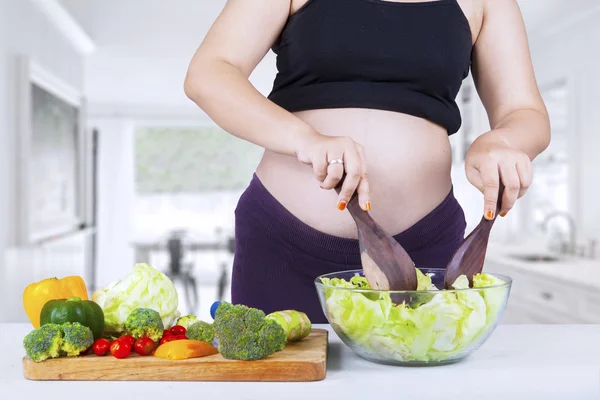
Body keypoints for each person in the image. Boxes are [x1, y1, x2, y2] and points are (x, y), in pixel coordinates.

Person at [184, 0, 550, 323]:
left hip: (424, 248)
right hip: (285, 245)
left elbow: (524, 110)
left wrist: (501, 141)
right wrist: (305, 139)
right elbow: (210, 73)